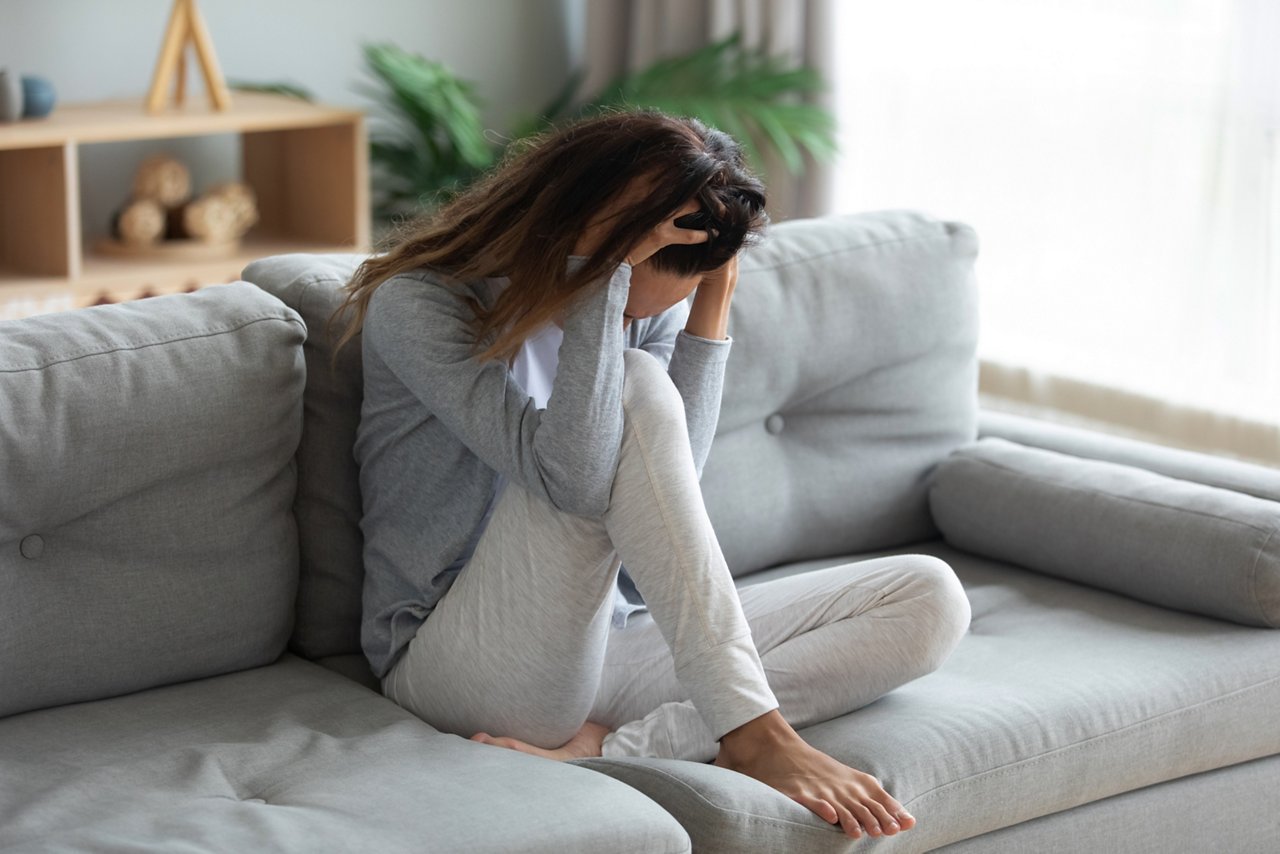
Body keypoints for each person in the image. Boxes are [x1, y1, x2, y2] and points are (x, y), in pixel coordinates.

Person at [331, 111, 971, 842]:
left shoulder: (650, 304)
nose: (637, 319)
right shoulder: (420, 304)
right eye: (630, 295)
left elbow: (670, 493)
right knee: (634, 381)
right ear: (572, 225)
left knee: (929, 596)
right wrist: (600, 283)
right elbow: (575, 482)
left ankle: (608, 751)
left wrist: (710, 307)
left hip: (607, 638)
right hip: (459, 663)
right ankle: (751, 728)